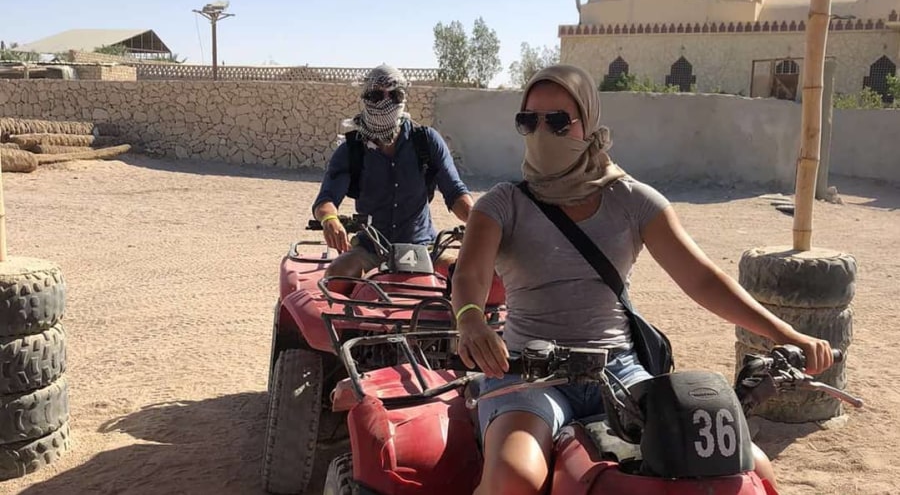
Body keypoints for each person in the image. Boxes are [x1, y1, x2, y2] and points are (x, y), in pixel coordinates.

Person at [450, 64, 835, 495]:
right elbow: (470, 274)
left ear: (588, 122)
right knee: (513, 479)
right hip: (526, 373)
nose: (542, 132)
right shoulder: (502, 204)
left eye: (558, 120)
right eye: (529, 120)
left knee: (750, 468)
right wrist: (470, 319)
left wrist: (788, 335)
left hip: (618, 371)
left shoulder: (631, 200)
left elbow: (702, 278)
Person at [311, 65, 473, 291]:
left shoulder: (426, 141)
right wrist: (330, 220)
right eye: (377, 95)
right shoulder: (352, 149)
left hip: (423, 247)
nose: (386, 101)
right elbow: (326, 199)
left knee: (468, 279)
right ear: (365, 98)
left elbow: (455, 192)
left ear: (403, 98)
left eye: (394, 95)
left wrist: (479, 224)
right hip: (370, 248)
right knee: (337, 278)